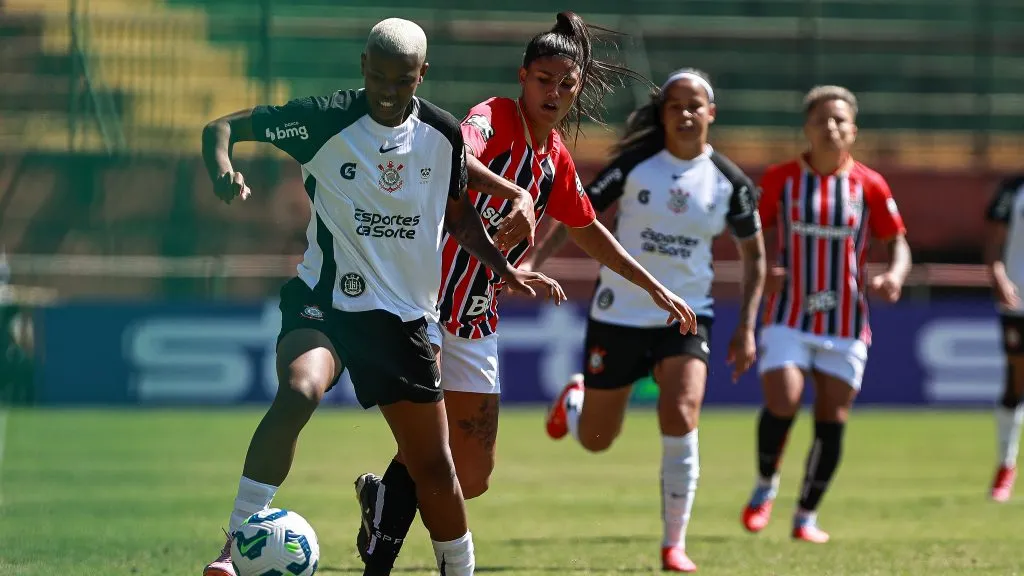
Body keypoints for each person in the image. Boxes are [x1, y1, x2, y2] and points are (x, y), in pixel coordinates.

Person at [199, 18, 566, 576]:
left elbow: (460, 218)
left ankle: (458, 570)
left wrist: (502, 268)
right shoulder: (324, 120)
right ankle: (233, 547)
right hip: (324, 303)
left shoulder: (441, 135)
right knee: (300, 391)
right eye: (378, 79)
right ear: (363, 68)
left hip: (402, 320)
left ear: (423, 74)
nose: (389, 93)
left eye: (403, 81)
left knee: (435, 467)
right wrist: (224, 169)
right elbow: (220, 128)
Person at [352, 13, 699, 576]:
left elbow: (588, 229)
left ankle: (381, 501)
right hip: (422, 302)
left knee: (474, 474)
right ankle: (379, 561)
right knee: (429, 447)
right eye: (543, 79)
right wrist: (510, 195)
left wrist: (654, 286)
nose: (554, 93)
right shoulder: (493, 119)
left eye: (566, 84)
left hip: (479, 312)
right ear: (523, 76)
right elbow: (455, 153)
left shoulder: (554, 156)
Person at [530, 69, 766, 572]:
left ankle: (673, 543)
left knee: (681, 412)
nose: (685, 113)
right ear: (662, 114)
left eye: (694, 105)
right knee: (597, 440)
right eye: (674, 105)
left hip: (687, 315)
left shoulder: (730, 182)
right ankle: (577, 402)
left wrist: (746, 326)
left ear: (711, 113)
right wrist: (533, 264)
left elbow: (755, 257)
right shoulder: (635, 165)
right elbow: (579, 214)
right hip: (619, 314)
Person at [739, 85, 911, 543]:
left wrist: (894, 274)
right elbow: (748, 233)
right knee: (784, 400)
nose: (830, 127)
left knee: (832, 419)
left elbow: (898, 243)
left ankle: (806, 516)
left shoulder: (870, 184)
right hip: (788, 313)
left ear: (853, 131)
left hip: (845, 320)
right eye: (822, 119)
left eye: (839, 120)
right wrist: (765, 267)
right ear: (807, 127)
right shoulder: (781, 179)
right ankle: (764, 486)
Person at [983, 173, 1024, 502]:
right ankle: (1005, 466)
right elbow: (995, 242)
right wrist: (998, 274)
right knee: (1016, 383)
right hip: (1019, 301)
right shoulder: (1012, 190)